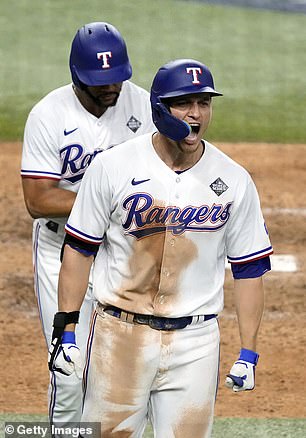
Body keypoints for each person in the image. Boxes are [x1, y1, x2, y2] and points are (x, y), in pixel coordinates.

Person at [48, 59, 273, 437]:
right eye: (183, 103)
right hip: (119, 337)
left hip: (195, 344)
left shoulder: (233, 179)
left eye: (203, 103)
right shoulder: (112, 167)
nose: (196, 113)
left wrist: (248, 352)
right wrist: (66, 327)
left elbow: (248, 270)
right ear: (158, 108)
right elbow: (79, 248)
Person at [20, 21, 155, 429]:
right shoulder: (49, 114)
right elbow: (39, 199)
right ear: (77, 76)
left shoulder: (145, 106)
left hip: (122, 252)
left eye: (116, 79)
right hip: (61, 253)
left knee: (123, 368)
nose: (111, 88)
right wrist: (104, 206)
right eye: (100, 82)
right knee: (69, 368)